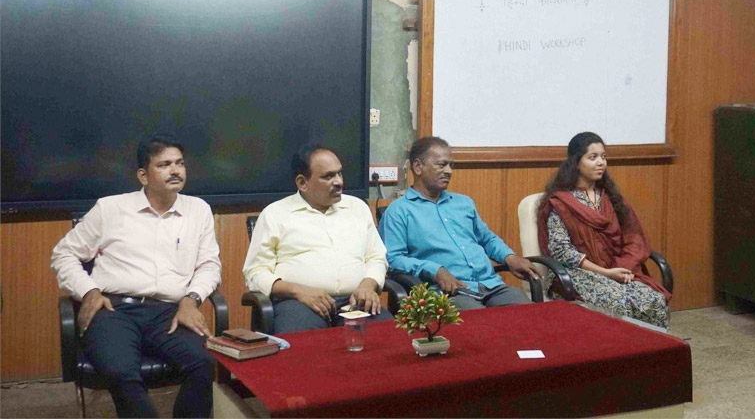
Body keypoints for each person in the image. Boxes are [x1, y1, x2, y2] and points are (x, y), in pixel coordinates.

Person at [51, 134, 221, 418]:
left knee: (204, 363)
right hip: (114, 309)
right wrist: (89, 291)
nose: (175, 170)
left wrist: (191, 299)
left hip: (169, 312)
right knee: (121, 371)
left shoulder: (198, 210)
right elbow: (63, 254)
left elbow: (209, 265)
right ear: (143, 175)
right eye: (164, 165)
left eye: (179, 163)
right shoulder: (110, 208)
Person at [243, 146, 391, 333]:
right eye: (328, 177)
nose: (339, 182)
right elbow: (255, 273)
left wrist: (368, 285)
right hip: (299, 303)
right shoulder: (275, 214)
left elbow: (377, 257)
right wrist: (298, 290)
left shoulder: (357, 208)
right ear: (302, 183)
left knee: (390, 337)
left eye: (339, 173)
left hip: (355, 301)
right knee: (305, 344)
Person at [379, 136, 539, 310]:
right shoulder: (399, 211)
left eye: (451, 165)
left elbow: (486, 238)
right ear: (418, 167)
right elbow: (393, 259)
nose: (449, 171)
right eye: (442, 165)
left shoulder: (463, 203)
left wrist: (510, 257)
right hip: (448, 292)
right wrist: (435, 270)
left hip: (490, 285)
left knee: (529, 314)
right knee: (477, 320)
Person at [536, 132, 671, 328]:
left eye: (603, 157)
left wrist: (624, 266)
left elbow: (633, 238)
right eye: (593, 157)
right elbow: (561, 251)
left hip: (614, 267)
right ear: (576, 163)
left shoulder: (610, 197)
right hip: (575, 274)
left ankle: (652, 347)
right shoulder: (561, 202)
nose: (601, 162)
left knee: (653, 300)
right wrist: (606, 273)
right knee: (618, 303)